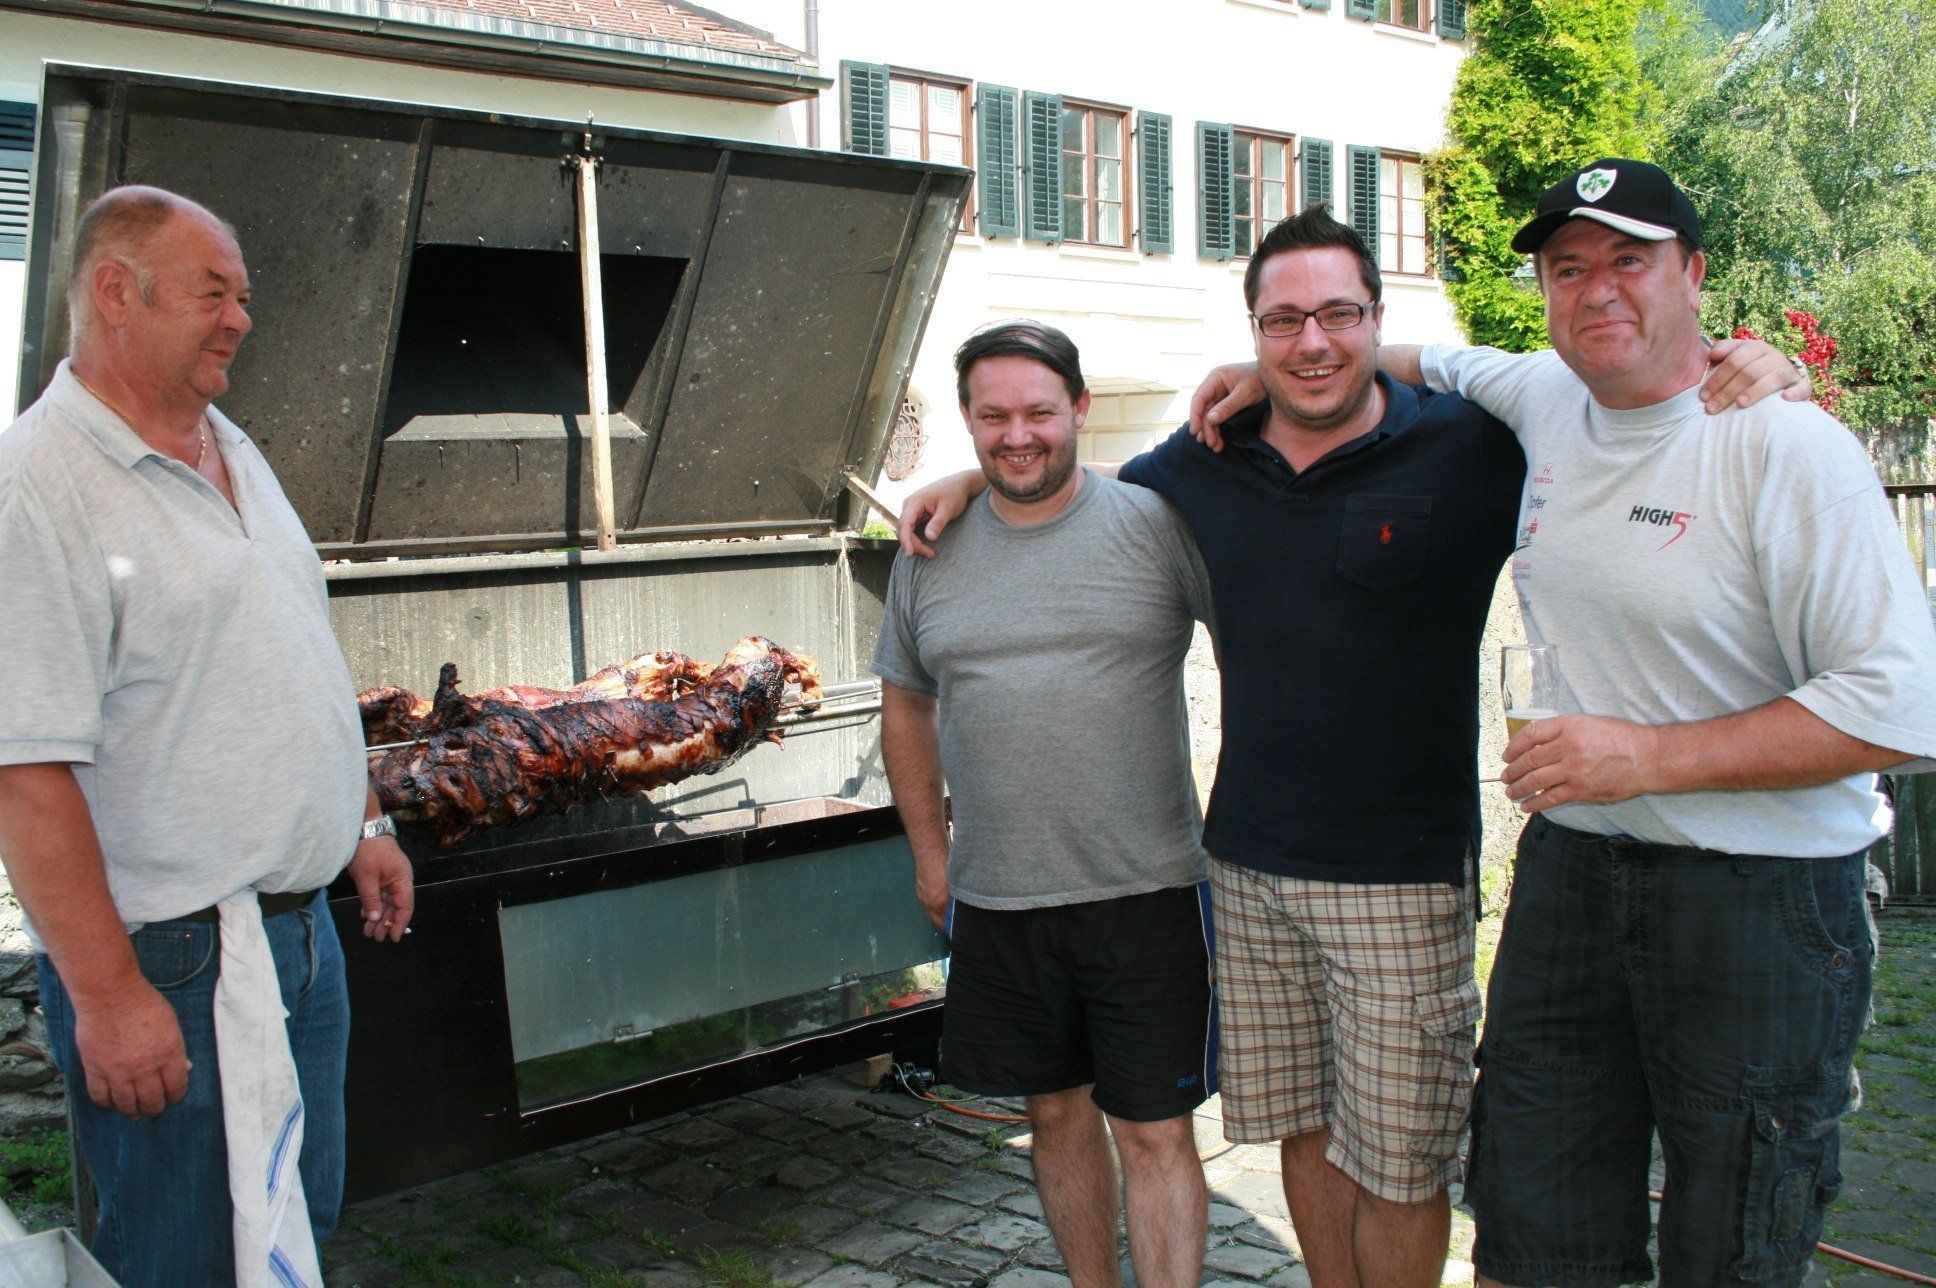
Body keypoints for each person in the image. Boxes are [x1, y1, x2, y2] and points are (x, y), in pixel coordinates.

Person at [899, 209, 1807, 1288]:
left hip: (1404, 876)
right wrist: (968, 484)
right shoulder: (1200, 462)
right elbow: (1062, 488)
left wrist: (1751, 365)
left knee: (1402, 1163)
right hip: (1247, 871)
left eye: (1338, 314)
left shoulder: (1471, 442)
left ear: (1378, 318)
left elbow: (1617, 394)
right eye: (1283, 321)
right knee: (1302, 1132)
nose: (1313, 340)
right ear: (1254, 331)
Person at [1190, 160, 1936, 1287]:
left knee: (1731, 1238)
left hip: (1761, 897)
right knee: (1531, 1226)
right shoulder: (1545, 394)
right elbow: (1406, 355)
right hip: (1575, 874)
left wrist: (1646, 757)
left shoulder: (1783, 444)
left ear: (1693, 272)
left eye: (1629, 260)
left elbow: (1897, 706)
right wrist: (1273, 366)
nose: (1597, 289)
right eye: (1568, 268)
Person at [0, 185, 415, 1288]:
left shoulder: (228, 443)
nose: (241, 319)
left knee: (296, 1226)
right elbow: (25, 771)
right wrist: (108, 998)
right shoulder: (36, 488)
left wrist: (363, 818)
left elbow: (293, 649)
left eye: (244, 295)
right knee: (182, 1260)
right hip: (170, 962)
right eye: (213, 293)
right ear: (115, 293)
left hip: (300, 936)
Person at [874, 321, 1217, 1288]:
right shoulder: (928, 547)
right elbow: (906, 705)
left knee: (1155, 1129)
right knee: (1054, 1116)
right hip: (1000, 896)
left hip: (1148, 891)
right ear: (967, 420)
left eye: (1038, 412)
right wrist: (931, 858)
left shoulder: (1156, 523)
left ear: (1079, 409)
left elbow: (1260, 650)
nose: (1017, 435)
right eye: (994, 417)